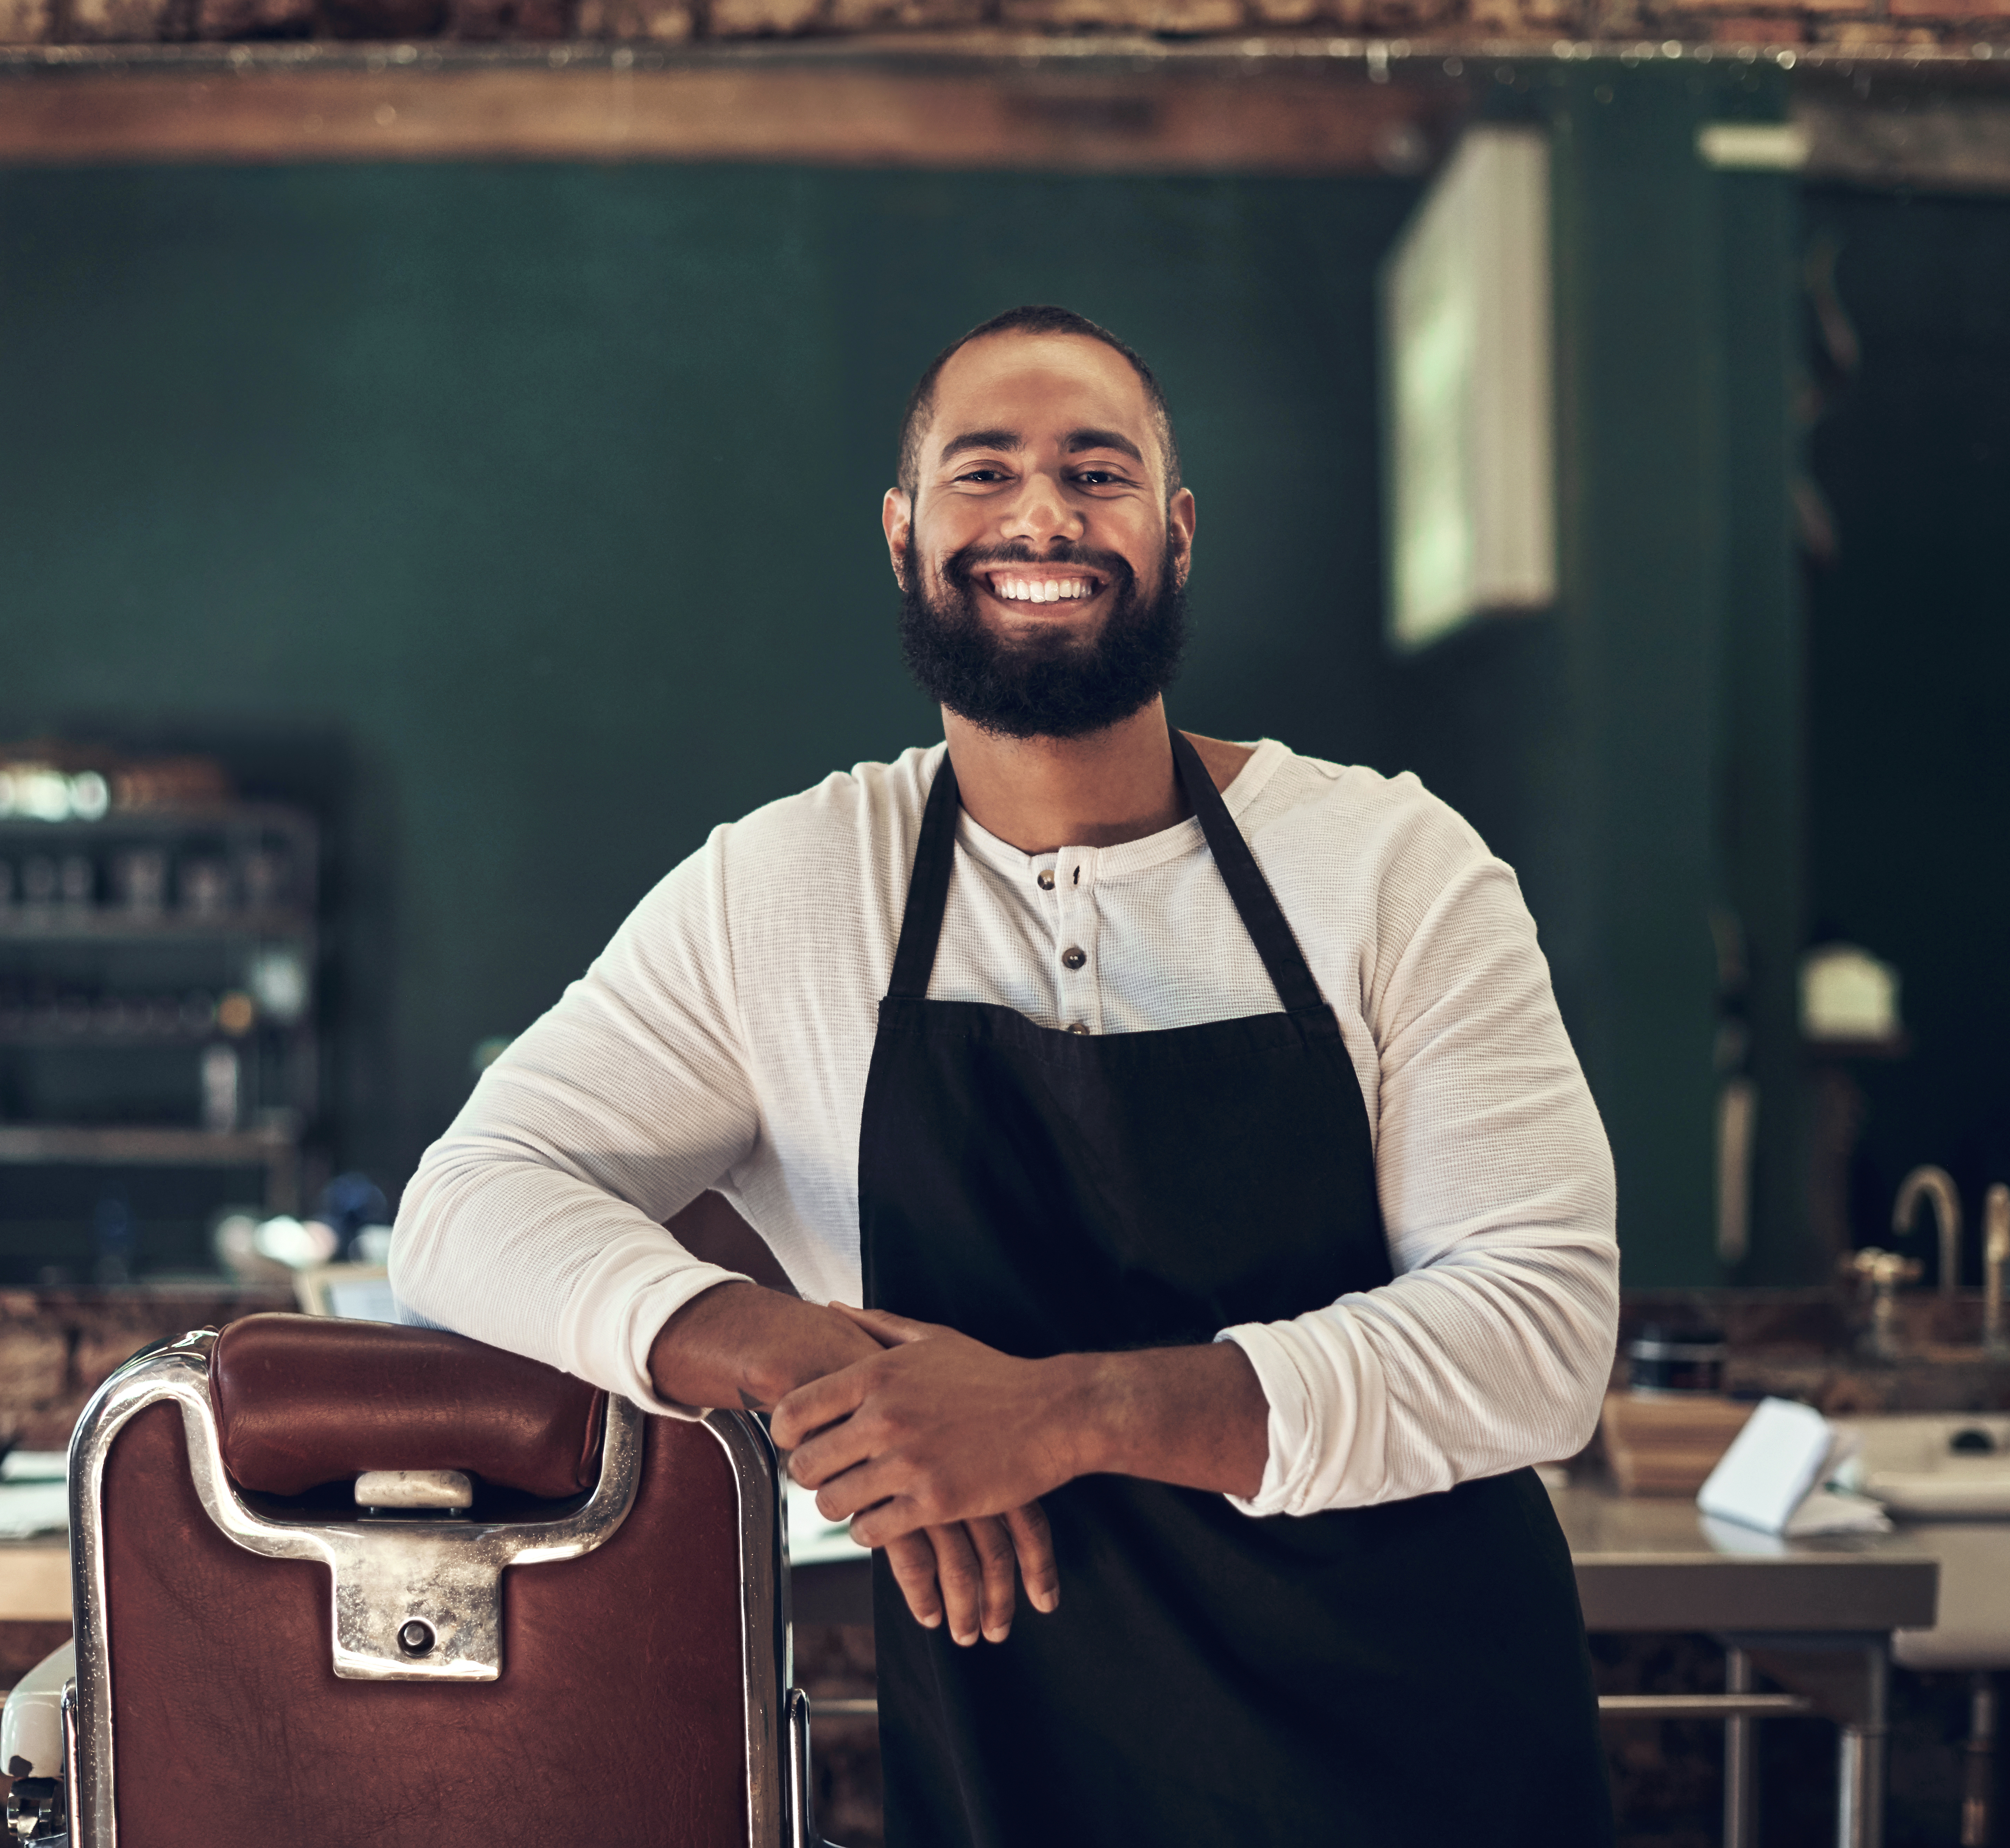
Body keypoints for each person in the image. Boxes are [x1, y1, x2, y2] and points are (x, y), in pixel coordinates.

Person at [395, 304, 1619, 1845]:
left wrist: (1062, 1413)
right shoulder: (786, 889)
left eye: (1096, 474)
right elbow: (463, 1205)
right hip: (1024, 1756)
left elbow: (1538, 1330)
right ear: (903, 535)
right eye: (985, 474)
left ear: (1174, 536)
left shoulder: (1387, 863)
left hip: (1422, 1746)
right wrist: (800, 1359)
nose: (1042, 515)